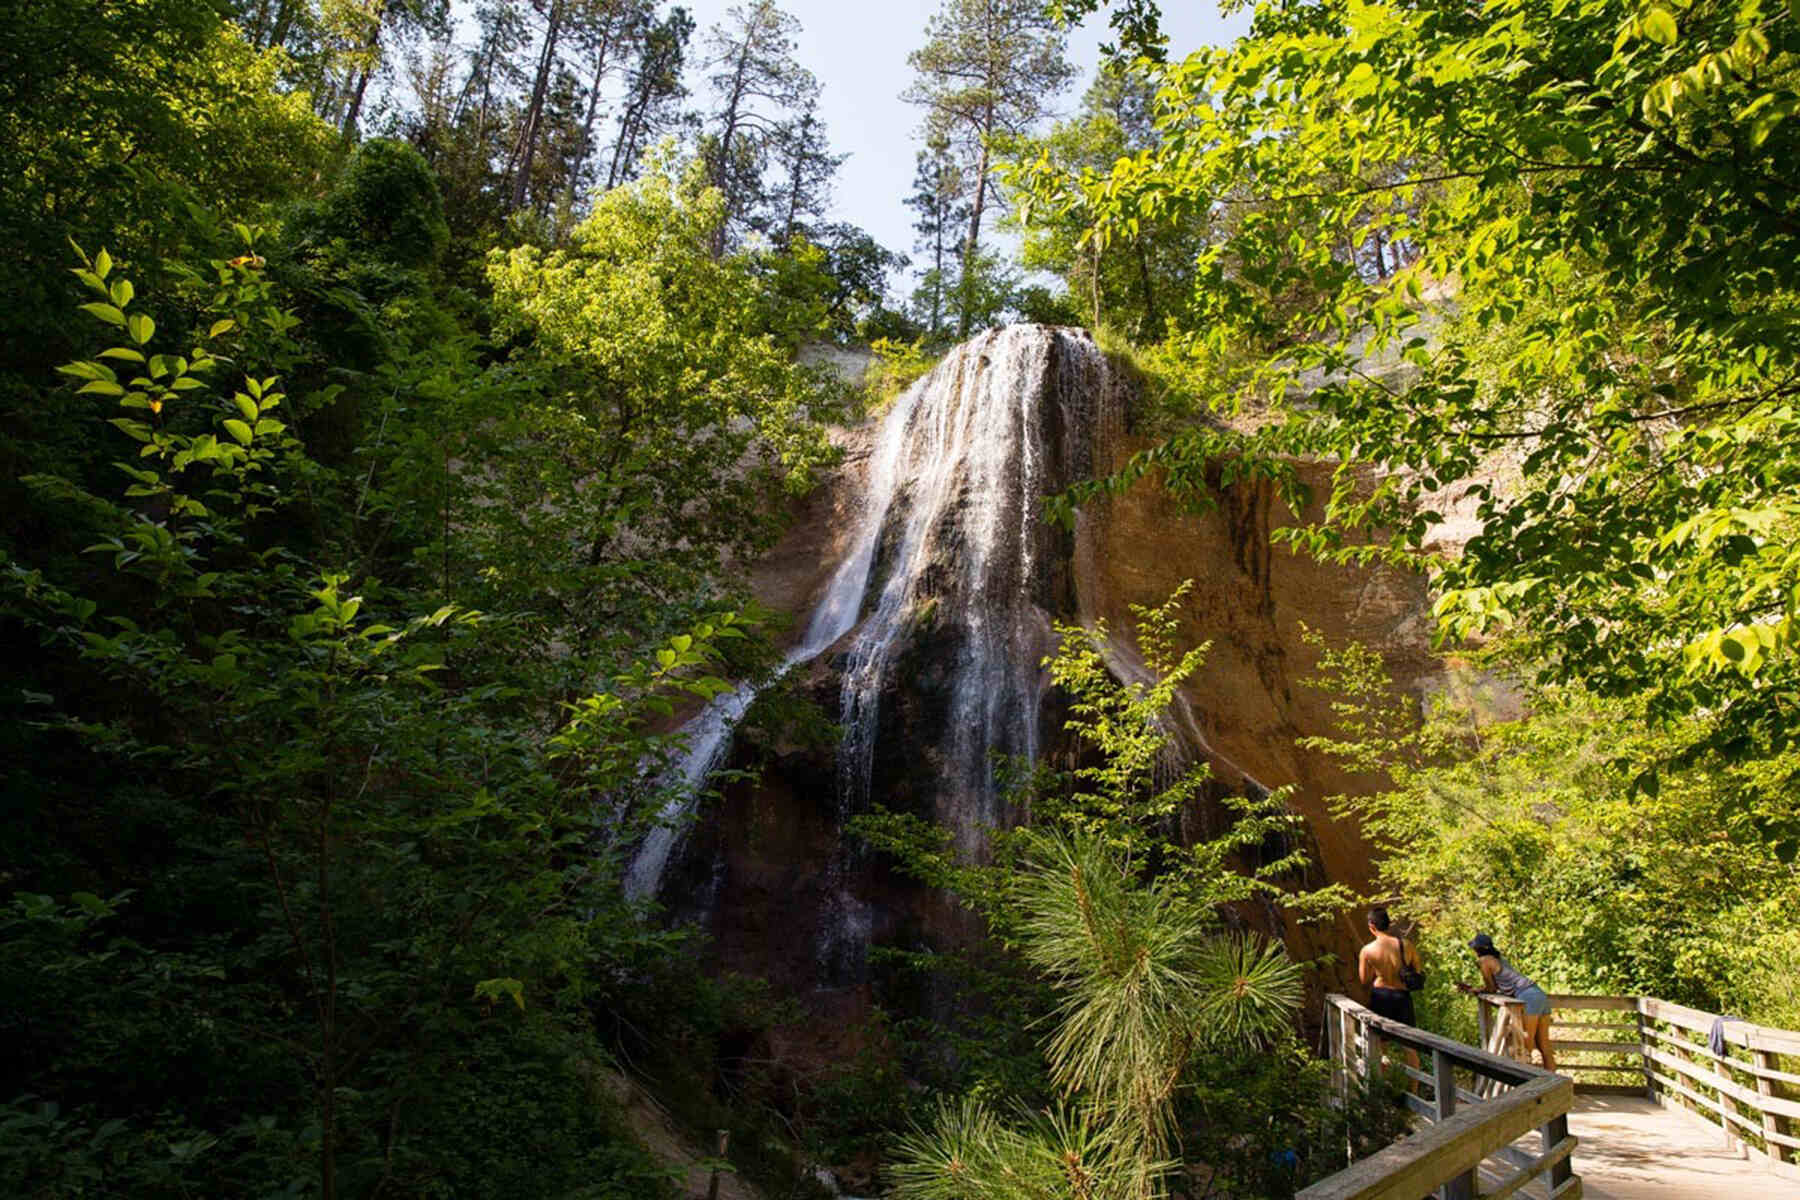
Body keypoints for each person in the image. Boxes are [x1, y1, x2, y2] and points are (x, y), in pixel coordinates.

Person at [1457, 932, 1556, 1072]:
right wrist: (1475, 989)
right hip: (1538, 993)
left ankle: (1529, 1089)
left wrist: (1476, 990)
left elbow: (1491, 988)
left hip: (1528, 997)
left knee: (1525, 1047)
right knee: (1544, 1046)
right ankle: (1553, 1089)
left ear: (1478, 949)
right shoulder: (1499, 959)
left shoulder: (1484, 961)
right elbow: (1496, 986)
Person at [1358, 906, 1423, 1027]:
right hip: (1402, 996)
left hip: (1380, 996)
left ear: (1372, 926)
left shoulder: (1367, 950)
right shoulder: (1407, 944)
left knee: (1380, 1040)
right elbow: (1418, 969)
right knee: (1410, 1039)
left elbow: (1364, 980)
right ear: (1388, 924)